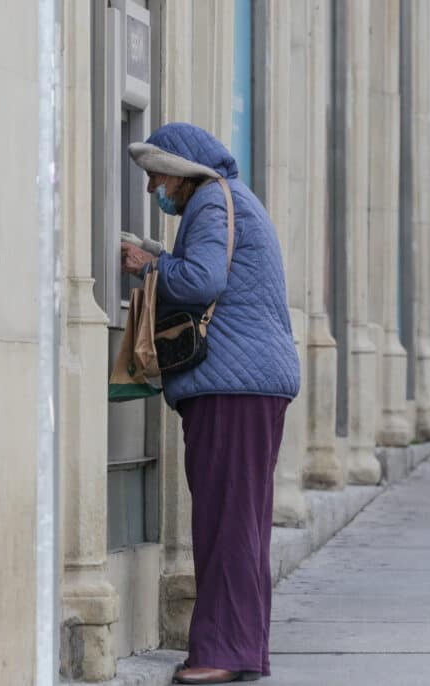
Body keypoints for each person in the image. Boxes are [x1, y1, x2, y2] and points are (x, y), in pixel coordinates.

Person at [122, 123, 300, 685]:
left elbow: (201, 281)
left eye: (156, 174)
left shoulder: (211, 203)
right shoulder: (230, 201)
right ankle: (240, 648)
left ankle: (223, 653)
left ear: (181, 171)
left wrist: (146, 265)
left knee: (225, 521)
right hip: (249, 383)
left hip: (233, 385)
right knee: (239, 522)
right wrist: (158, 254)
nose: (153, 187)